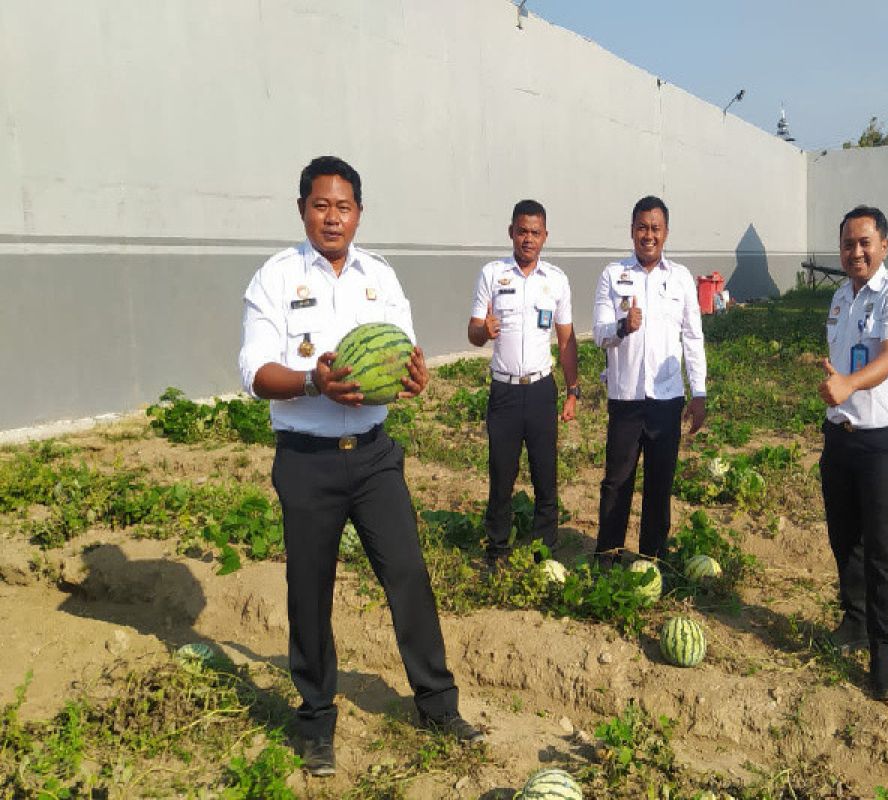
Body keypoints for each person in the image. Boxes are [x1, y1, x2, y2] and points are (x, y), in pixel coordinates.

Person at [238, 156, 483, 777]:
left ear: (358, 213)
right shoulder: (275, 278)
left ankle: (438, 704)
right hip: (307, 462)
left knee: (409, 578)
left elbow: (402, 356)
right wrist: (312, 384)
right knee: (309, 594)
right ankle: (316, 720)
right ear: (302, 210)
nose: (332, 217)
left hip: (374, 458)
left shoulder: (382, 277)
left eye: (343, 207)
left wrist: (415, 378)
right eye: (321, 205)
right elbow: (256, 374)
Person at [817, 205, 888, 704]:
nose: (855, 252)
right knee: (845, 540)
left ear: (883, 244)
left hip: (882, 441)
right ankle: (855, 621)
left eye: (864, 242)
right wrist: (836, 383)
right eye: (847, 244)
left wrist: (847, 383)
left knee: (883, 554)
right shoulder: (841, 296)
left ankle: (883, 660)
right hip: (840, 437)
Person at [592, 195, 707, 564]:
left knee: (660, 484)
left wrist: (699, 391)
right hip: (625, 398)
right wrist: (624, 326)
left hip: (667, 399)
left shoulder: (681, 279)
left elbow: (692, 337)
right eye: (642, 227)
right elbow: (598, 334)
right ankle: (608, 555)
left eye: (655, 228)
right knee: (617, 483)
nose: (648, 235)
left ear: (666, 233)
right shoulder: (613, 275)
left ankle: (652, 561)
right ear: (632, 231)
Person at [467, 200, 579, 565]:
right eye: (522, 231)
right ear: (511, 232)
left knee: (546, 474)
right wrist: (483, 330)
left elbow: (566, 340)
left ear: (545, 236)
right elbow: (472, 333)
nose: (528, 239)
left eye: (535, 232)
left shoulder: (556, 281)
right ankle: (497, 549)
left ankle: (543, 550)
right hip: (505, 392)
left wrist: (572, 390)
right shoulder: (491, 275)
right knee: (501, 473)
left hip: (541, 390)